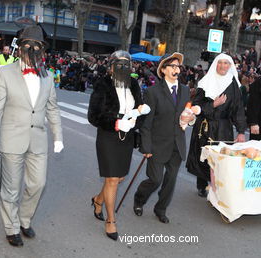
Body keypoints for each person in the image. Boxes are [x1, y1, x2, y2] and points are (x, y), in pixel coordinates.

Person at [0, 25, 64, 247]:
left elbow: (53, 108)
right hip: (11, 140)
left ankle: (24, 219)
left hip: (38, 140)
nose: (31, 49)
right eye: (27, 45)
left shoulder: (47, 76)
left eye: (36, 46)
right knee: (11, 188)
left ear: (42, 50)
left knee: (38, 184)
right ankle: (11, 227)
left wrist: (57, 137)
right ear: (19, 49)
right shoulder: (4, 72)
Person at [87, 50, 147, 240]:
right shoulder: (102, 85)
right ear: (111, 67)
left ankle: (98, 200)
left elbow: (141, 112)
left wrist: (134, 120)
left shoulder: (135, 85)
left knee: (119, 178)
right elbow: (94, 115)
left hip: (127, 137)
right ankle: (111, 221)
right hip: (108, 135)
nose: (123, 68)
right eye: (119, 64)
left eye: (126, 65)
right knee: (112, 179)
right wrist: (115, 122)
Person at [133, 52, 195, 223]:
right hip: (157, 144)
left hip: (177, 143)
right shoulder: (153, 92)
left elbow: (186, 114)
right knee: (155, 179)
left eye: (178, 66)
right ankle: (139, 199)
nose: (177, 69)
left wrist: (190, 119)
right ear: (164, 70)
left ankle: (161, 209)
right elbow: (146, 122)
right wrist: (146, 147)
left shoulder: (184, 90)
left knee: (170, 181)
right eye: (173, 66)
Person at [186, 53, 247, 197]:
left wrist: (241, 131)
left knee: (221, 158)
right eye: (220, 63)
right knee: (204, 156)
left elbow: (238, 109)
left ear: (230, 66)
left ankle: (216, 185)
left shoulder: (233, 85)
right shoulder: (205, 82)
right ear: (216, 65)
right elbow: (196, 105)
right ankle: (202, 185)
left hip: (224, 127)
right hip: (205, 125)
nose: (223, 66)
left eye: (226, 63)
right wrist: (213, 104)